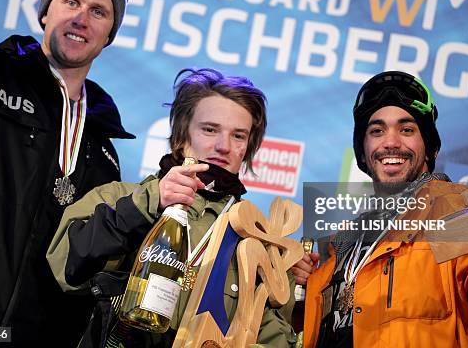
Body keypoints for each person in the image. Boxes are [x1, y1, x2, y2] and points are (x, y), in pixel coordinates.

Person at [0, 0, 134, 346]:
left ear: (109, 33)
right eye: (71, 2)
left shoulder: (104, 151)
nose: (82, 18)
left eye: (99, 11)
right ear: (46, 12)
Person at [295, 71, 468, 347]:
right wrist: (302, 290)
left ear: (429, 148)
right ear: (362, 152)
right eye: (377, 131)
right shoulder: (341, 245)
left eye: (407, 130)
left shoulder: (457, 213)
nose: (391, 142)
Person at [46, 68, 297, 347]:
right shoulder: (120, 197)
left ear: (248, 147)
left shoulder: (259, 240)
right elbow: (66, 271)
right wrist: (149, 203)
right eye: (210, 129)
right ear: (181, 135)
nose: (224, 146)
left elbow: (273, 335)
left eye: (238, 136)